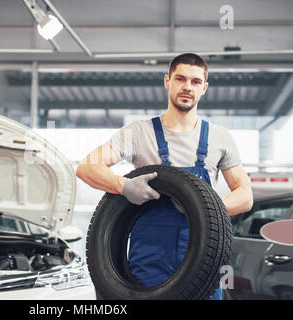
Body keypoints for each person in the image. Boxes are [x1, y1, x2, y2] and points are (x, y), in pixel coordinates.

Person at [76, 53, 253, 300]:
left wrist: (204, 209)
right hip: (150, 257)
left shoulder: (220, 137)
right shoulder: (138, 132)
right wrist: (123, 185)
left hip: (205, 256)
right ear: (167, 81)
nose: (187, 87)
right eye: (180, 79)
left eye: (195, 82)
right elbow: (86, 167)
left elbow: (245, 196)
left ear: (204, 88)